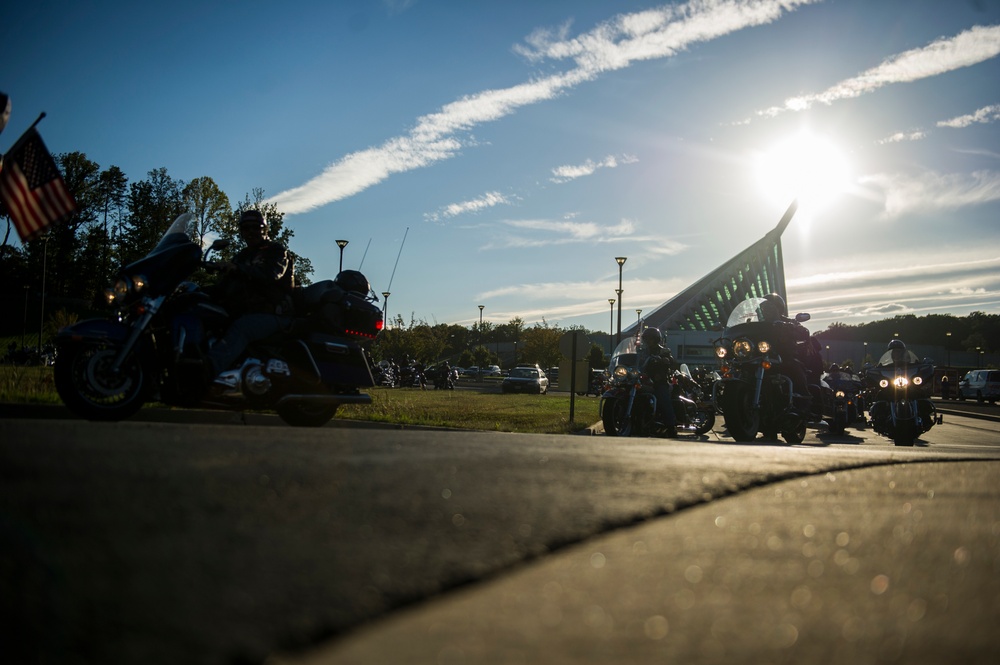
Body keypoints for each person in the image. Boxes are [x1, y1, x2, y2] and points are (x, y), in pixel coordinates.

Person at [205, 209, 295, 381]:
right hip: (249, 311)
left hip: (273, 313)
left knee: (242, 328)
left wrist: (237, 269)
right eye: (246, 228)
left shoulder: (276, 251)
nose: (251, 232)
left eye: (256, 227)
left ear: (265, 230)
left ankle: (206, 373)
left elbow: (271, 275)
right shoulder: (243, 256)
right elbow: (224, 287)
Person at [637, 327, 677, 436]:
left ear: (656, 339)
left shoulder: (663, 351)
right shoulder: (641, 352)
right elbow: (634, 360)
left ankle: (671, 427)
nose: (648, 341)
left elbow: (672, 362)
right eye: (646, 338)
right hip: (643, 380)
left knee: (663, 398)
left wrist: (666, 360)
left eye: (651, 338)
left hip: (658, 381)